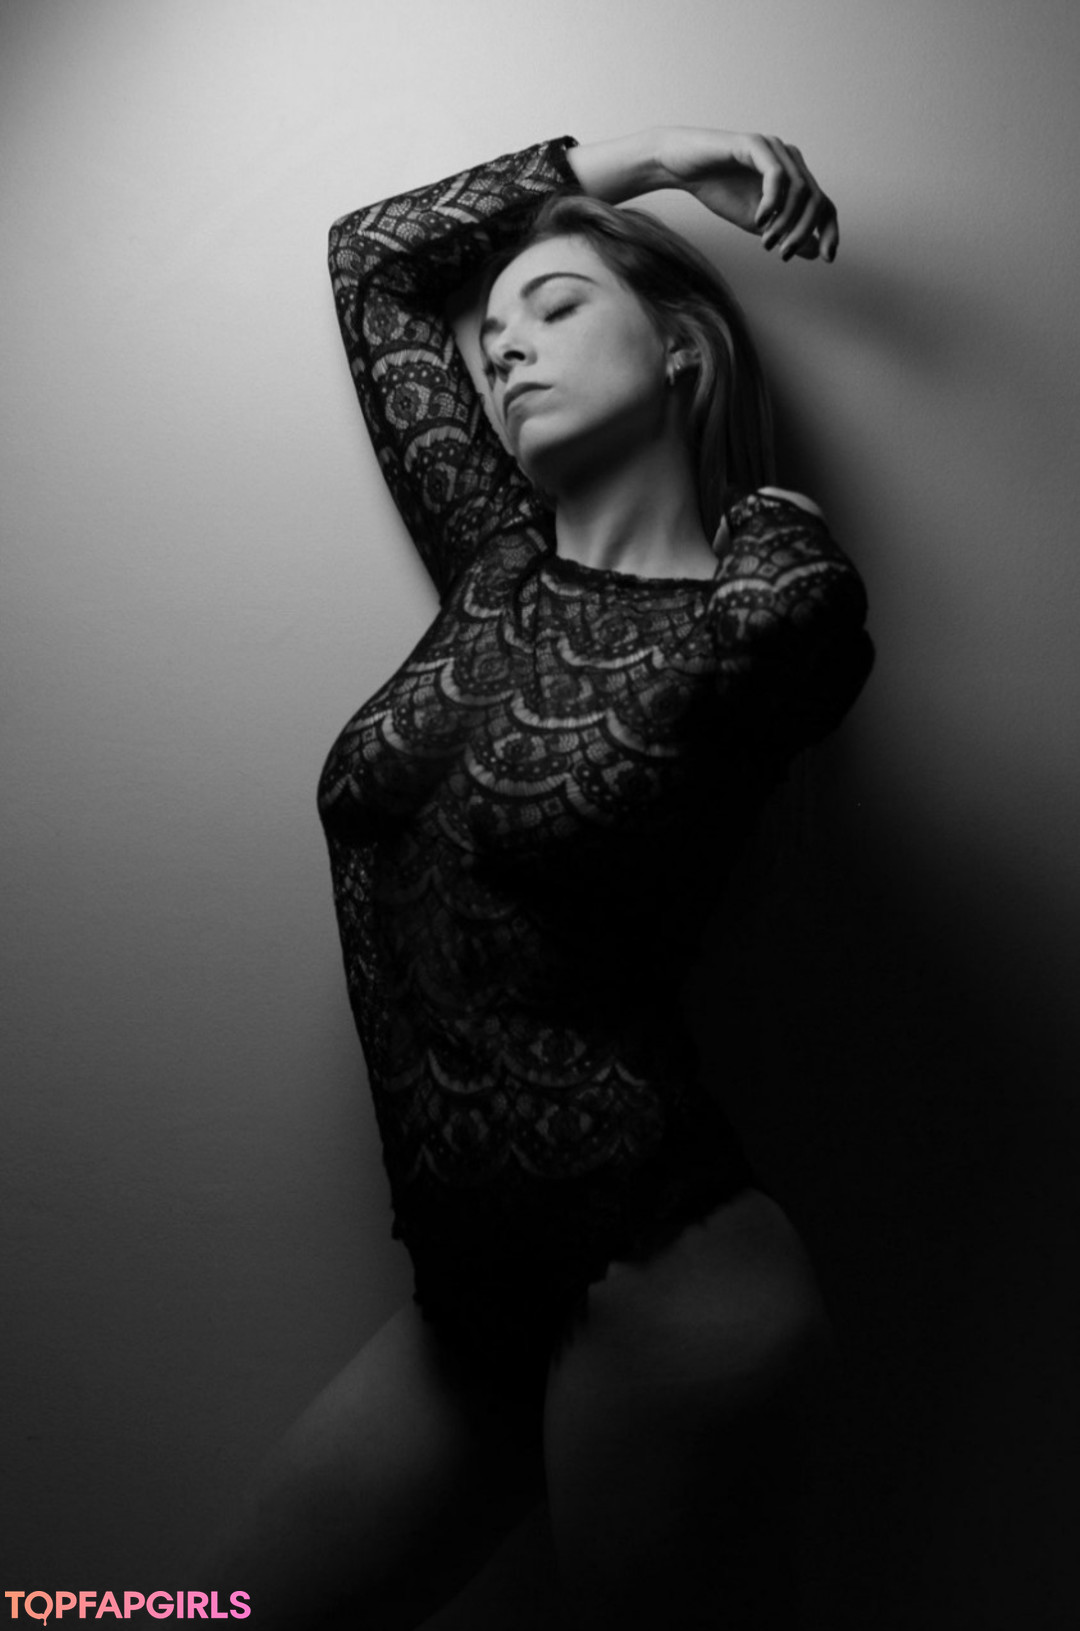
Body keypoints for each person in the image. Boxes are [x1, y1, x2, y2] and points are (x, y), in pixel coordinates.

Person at [205, 127, 873, 1629]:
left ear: (684, 349)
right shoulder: (493, 568)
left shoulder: (748, 607)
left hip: (668, 1286)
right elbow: (375, 261)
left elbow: (803, 634)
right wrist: (654, 160)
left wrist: (775, 513)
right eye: (494, 333)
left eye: (557, 307)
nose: (504, 347)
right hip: (475, 1303)